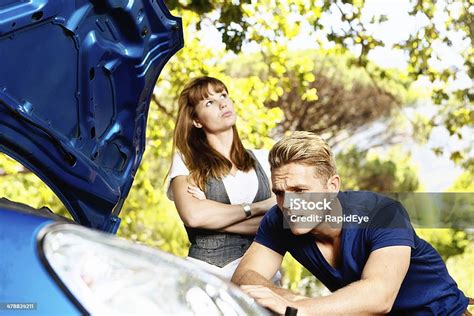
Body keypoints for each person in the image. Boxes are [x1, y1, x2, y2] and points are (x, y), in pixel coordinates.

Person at [232, 131, 472, 315]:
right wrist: (288, 297)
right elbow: (244, 275)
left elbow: (379, 296)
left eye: (300, 190)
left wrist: (301, 308)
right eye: (280, 192)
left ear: (332, 186)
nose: (289, 203)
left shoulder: (383, 212)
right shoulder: (278, 219)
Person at [167, 76, 277, 280]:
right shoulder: (186, 160)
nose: (222, 103)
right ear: (196, 120)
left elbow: (281, 220)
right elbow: (194, 216)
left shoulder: (263, 159)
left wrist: (213, 217)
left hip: (263, 276)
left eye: (223, 95)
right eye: (209, 102)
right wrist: (260, 207)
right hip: (209, 276)